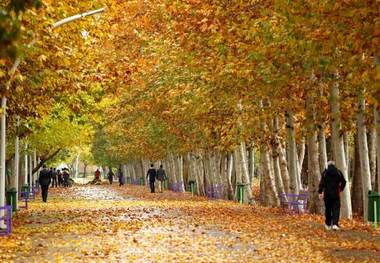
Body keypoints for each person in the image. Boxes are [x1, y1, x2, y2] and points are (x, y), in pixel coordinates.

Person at [318, 161, 346, 231]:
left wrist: (320, 192)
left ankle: (328, 224)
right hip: (336, 194)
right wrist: (341, 189)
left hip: (327, 195)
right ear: (334, 165)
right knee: (336, 209)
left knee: (328, 209)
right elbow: (344, 181)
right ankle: (335, 224)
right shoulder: (338, 172)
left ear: (328, 165)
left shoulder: (325, 173)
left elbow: (322, 183)